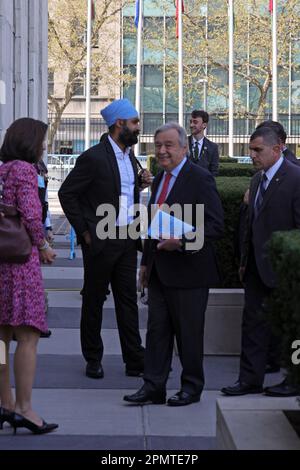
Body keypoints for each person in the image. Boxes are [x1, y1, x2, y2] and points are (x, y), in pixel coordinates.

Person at [123, 122, 224, 406]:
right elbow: (154, 225)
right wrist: (146, 264)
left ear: (184, 148)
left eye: (168, 145)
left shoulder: (200, 178)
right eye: (158, 146)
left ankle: (191, 388)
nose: (162, 151)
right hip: (159, 272)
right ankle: (153, 387)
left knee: (189, 334)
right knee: (156, 333)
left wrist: (180, 241)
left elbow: (215, 226)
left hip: (190, 273)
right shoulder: (160, 179)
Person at [58, 99, 152, 379]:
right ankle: (93, 358)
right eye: (134, 122)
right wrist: (85, 231)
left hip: (126, 238)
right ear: (119, 124)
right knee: (94, 300)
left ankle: (134, 360)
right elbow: (67, 193)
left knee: (128, 301)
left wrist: (140, 183)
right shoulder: (94, 157)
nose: (138, 127)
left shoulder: (130, 156)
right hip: (100, 240)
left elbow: (120, 192)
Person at [221, 126, 300, 397]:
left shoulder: (296, 178)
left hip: (286, 271)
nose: (252, 155)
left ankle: (293, 380)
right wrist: (244, 261)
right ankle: (249, 380)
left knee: (292, 329)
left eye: (257, 150)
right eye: (250, 149)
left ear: (277, 149)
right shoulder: (256, 181)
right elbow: (250, 225)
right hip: (255, 268)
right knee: (252, 325)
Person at [0, 117, 57, 434]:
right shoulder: (23, 170)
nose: (44, 147)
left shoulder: (1, 170)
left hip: (0, 262)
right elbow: (32, 216)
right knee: (28, 337)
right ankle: (24, 409)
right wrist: (45, 246)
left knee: (0, 337)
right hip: (20, 264)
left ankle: (4, 403)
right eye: (42, 142)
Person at [188, 110, 219, 176]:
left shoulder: (213, 148)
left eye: (195, 122)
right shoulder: (181, 144)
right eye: (191, 122)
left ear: (204, 125)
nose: (191, 125)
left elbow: (214, 173)